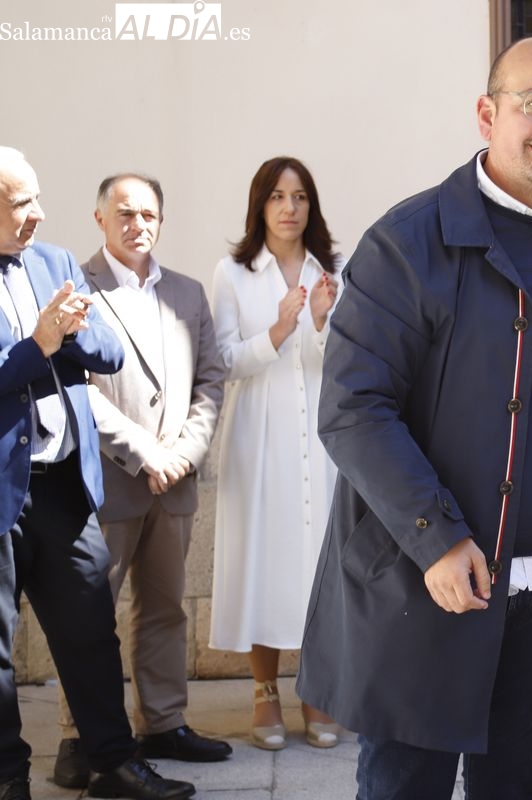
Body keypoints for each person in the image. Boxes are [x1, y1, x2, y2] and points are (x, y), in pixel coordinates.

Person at [296, 36, 532, 800]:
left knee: (520, 787)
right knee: (404, 788)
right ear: (487, 114)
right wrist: (437, 537)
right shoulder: (407, 242)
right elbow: (354, 408)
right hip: (430, 581)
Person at [0, 147, 195, 800]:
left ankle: (113, 765)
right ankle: (8, 778)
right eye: (21, 202)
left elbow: (108, 353)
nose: (37, 212)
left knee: (89, 629)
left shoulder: (55, 262)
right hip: (2, 489)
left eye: (36, 197)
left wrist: (71, 333)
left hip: (63, 486)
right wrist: (40, 344)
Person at [50, 175, 230, 789]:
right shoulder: (75, 289)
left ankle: (164, 723)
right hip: (108, 482)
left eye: (148, 214)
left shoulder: (187, 292)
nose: (138, 225)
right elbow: (76, 388)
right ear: (99, 218)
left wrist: (183, 454)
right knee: (88, 616)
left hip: (173, 481)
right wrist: (144, 453)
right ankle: (79, 737)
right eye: (125, 213)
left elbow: (210, 381)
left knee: (165, 609)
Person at [208, 156, 341, 751]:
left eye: (300, 197)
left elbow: (343, 361)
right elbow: (224, 361)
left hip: (319, 435)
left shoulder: (331, 271)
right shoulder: (233, 273)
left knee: (319, 561)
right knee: (263, 555)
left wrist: (320, 322)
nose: (290, 208)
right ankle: (264, 690)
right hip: (258, 435)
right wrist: (279, 331)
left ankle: (318, 687)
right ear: (260, 205)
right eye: (278, 197)